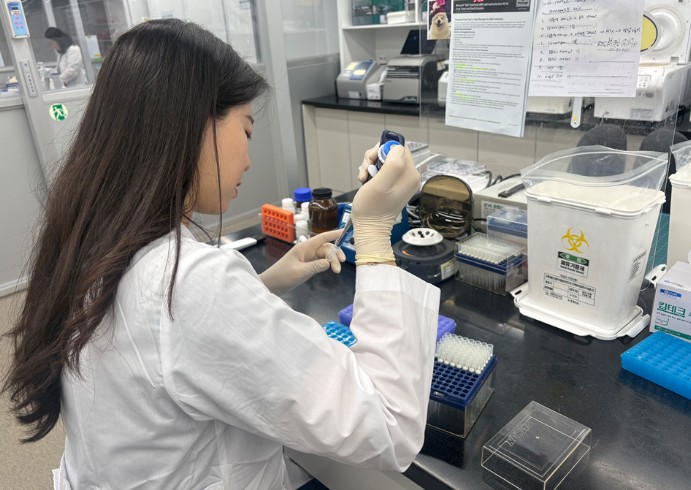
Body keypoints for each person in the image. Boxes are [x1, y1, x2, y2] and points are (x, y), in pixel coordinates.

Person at [2, 19, 440, 489]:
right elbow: (389, 424)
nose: (249, 159)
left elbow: (157, 339)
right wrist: (374, 232)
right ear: (191, 123)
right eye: (246, 131)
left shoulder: (89, 241)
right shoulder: (189, 285)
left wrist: (265, 282)